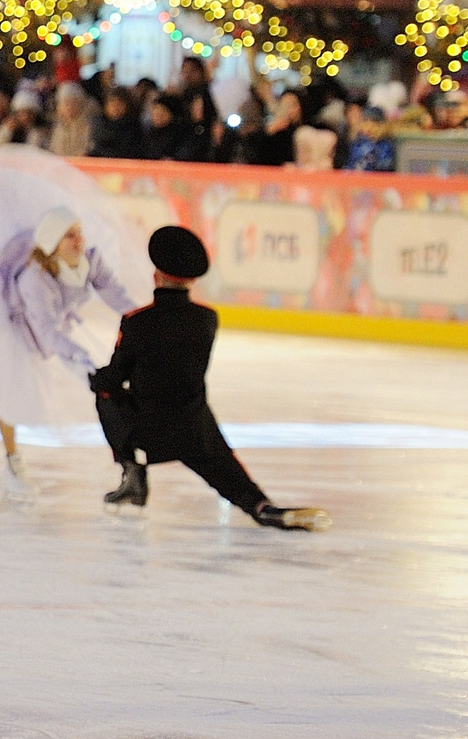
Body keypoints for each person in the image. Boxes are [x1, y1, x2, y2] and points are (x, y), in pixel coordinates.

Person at [0, 64, 148, 504]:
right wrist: (87, 365)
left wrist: (144, 318)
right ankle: (12, 461)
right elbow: (47, 331)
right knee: (9, 385)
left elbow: (118, 295)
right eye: (71, 238)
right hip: (9, 309)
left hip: (27, 251)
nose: (80, 242)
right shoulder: (32, 282)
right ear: (52, 246)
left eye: (79, 235)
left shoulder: (88, 256)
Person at [90, 226, 328, 531]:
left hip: (148, 429)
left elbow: (113, 379)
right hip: (195, 428)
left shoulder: (137, 323)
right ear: (192, 280)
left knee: (106, 397)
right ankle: (263, 508)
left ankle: (132, 472)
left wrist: (97, 380)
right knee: (230, 476)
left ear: (155, 275)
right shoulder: (207, 320)